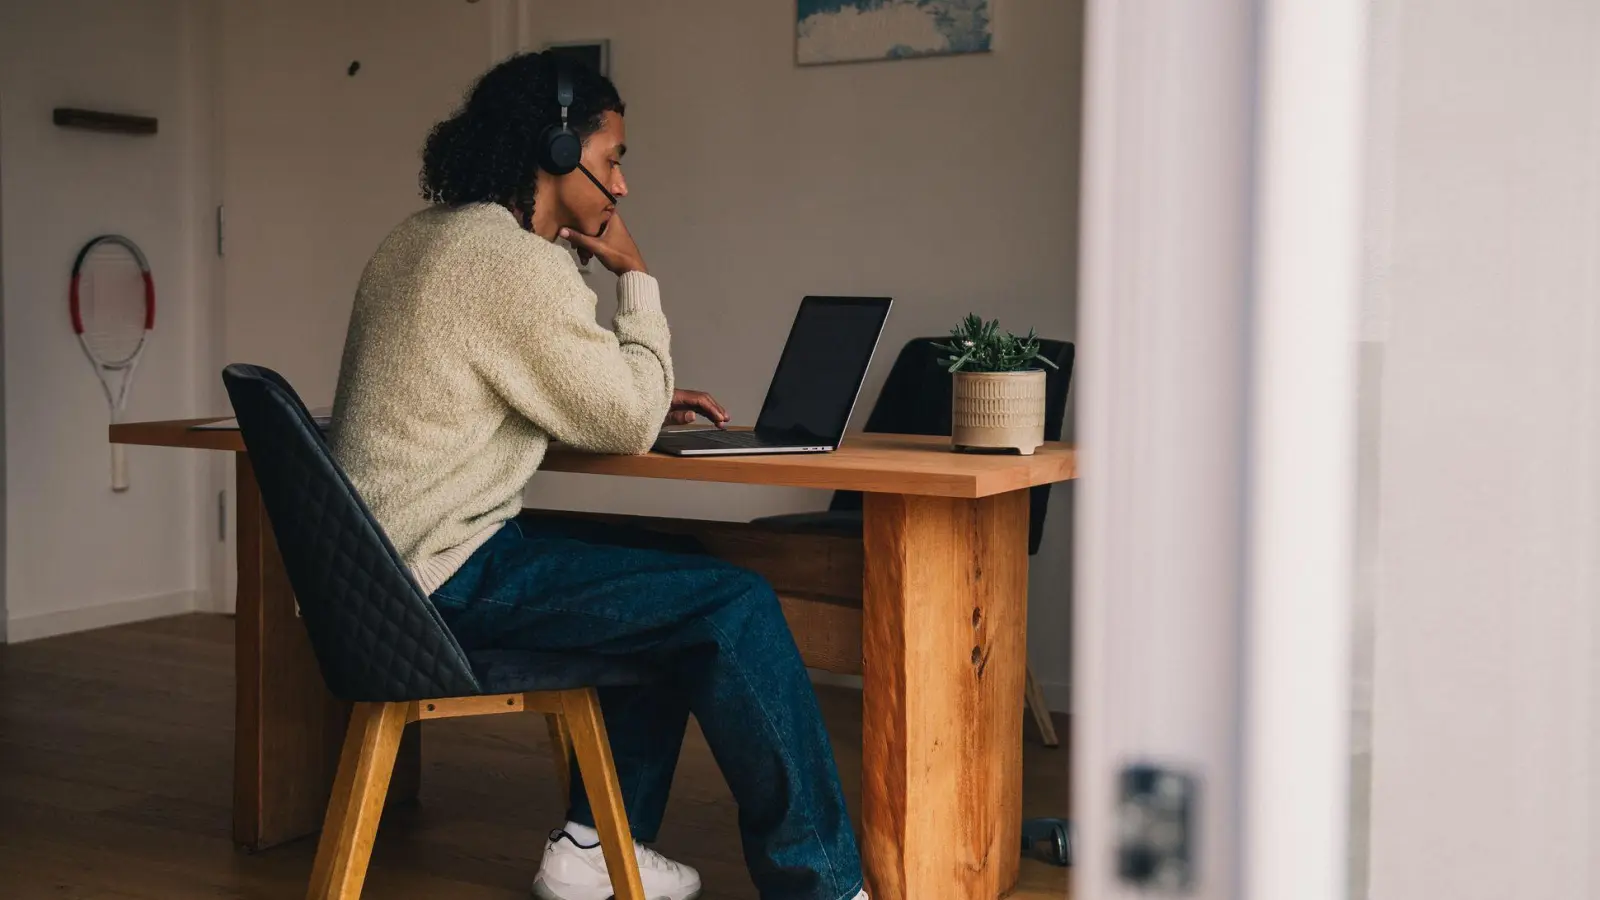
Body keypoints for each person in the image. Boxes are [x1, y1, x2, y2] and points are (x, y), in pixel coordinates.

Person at [327, 51, 868, 900]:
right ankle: (826, 886)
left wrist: (633, 389)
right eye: (612, 158)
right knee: (729, 601)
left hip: (370, 578)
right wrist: (637, 281)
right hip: (442, 578)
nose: (621, 187)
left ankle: (590, 846)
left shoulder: (424, 238)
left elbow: (556, 384)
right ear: (555, 148)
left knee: (670, 572)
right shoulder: (511, 261)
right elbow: (617, 416)